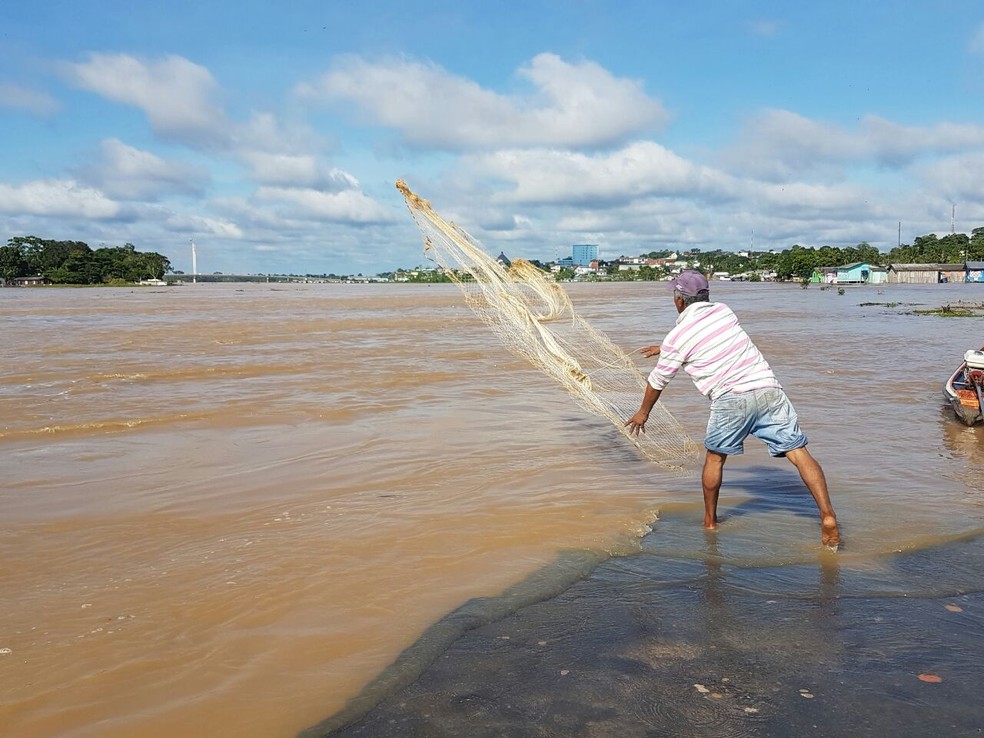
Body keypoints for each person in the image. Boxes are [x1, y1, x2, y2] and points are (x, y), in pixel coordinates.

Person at [624, 270, 840, 548]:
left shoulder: (678, 338)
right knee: (798, 452)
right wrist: (665, 346)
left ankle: (710, 523)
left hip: (731, 399)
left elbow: (657, 381)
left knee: (715, 460)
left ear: (679, 301)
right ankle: (827, 515)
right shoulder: (725, 312)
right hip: (769, 390)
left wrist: (644, 412)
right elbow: (705, 335)